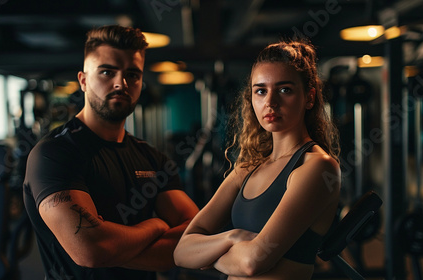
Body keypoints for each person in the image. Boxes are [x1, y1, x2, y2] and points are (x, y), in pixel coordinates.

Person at [23, 25, 199, 280]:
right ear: (83, 80)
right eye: (107, 72)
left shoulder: (153, 158)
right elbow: (90, 251)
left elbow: (196, 234)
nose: (121, 83)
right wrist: (155, 226)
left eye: (133, 74)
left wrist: (111, 249)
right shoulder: (54, 154)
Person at [173, 39, 341, 279]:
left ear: (310, 98)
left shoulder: (317, 167)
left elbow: (254, 261)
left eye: (285, 90)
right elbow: (181, 252)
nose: (270, 102)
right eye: (261, 91)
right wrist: (233, 237)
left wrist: (208, 255)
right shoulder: (248, 168)